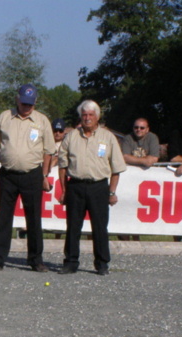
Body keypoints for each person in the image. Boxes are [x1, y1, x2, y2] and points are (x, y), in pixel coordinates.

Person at [0, 84, 54, 273]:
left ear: (35, 103)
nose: (26, 107)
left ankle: (36, 260)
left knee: (34, 219)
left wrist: (45, 175)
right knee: (4, 219)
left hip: (32, 174)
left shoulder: (42, 121)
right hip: (7, 174)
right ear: (17, 100)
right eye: (24, 103)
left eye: (30, 104)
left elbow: (49, 151)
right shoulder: (4, 117)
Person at [58, 100, 127, 276]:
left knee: (100, 227)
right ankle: (70, 262)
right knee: (73, 227)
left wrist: (112, 192)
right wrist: (64, 190)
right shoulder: (71, 136)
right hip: (75, 185)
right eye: (84, 115)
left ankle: (102, 263)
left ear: (97, 117)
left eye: (91, 115)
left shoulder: (108, 137)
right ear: (80, 117)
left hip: (98, 187)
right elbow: (63, 166)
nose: (87, 118)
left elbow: (116, 168)